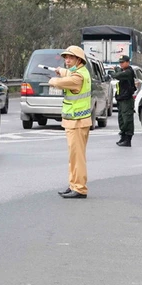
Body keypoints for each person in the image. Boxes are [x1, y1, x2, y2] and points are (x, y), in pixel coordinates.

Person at [49, 45, 92, 200]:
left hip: (77, 122)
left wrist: (54, 78)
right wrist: (60, 70)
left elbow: (58, 82)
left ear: (79, 60)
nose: (67, 60)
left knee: (77, 157)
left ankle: (79, 188)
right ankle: (73, 185)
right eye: (66, 57)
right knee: (73, 157)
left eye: (70, 58)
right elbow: (67, 72)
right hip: (75, 122)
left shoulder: (77, 77)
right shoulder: (80, 72)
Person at [112, 55, 137, 147]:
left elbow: (118, 76)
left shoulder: (128, 72)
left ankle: (127, 139)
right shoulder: (124, 71)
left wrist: (115, 71)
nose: (121, 64)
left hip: (127, 99)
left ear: (128, 62)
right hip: (121, 99)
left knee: (127, 120)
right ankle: (123, 137)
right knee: (122, 120)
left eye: (123, 62)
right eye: (120, 63)